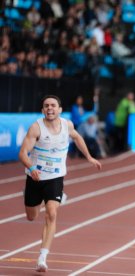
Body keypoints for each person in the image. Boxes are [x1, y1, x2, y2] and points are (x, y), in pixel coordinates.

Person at [18, 95, 102, 272]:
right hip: (35, 177)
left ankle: (42, 257)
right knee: (31, 216)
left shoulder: (67, 125)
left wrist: (88, 156)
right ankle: (33, 196)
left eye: (53, 105)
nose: (50, 108)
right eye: (46, 106)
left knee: (51, 213)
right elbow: (23, 153)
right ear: (43, 110)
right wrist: (31, 167)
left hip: (56, 177)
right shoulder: (36, 128)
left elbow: (78, 138)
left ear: (60, 110)